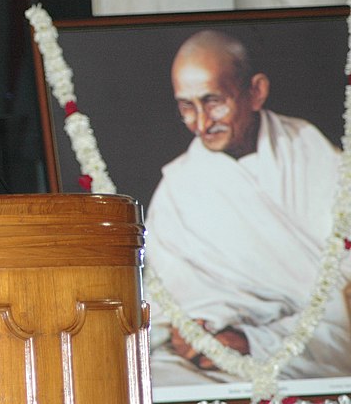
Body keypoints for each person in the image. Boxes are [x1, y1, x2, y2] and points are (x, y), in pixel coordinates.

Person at [145, 29, 351, 385]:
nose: (201, 123)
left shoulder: (311, 153)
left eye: (213, 102)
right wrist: (193, 333)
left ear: (256, 92)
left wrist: (252, 342)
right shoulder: (177, 189)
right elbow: (168, 305)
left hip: (312, 339)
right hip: (207, 357)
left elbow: (343, 287)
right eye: (186, 107)